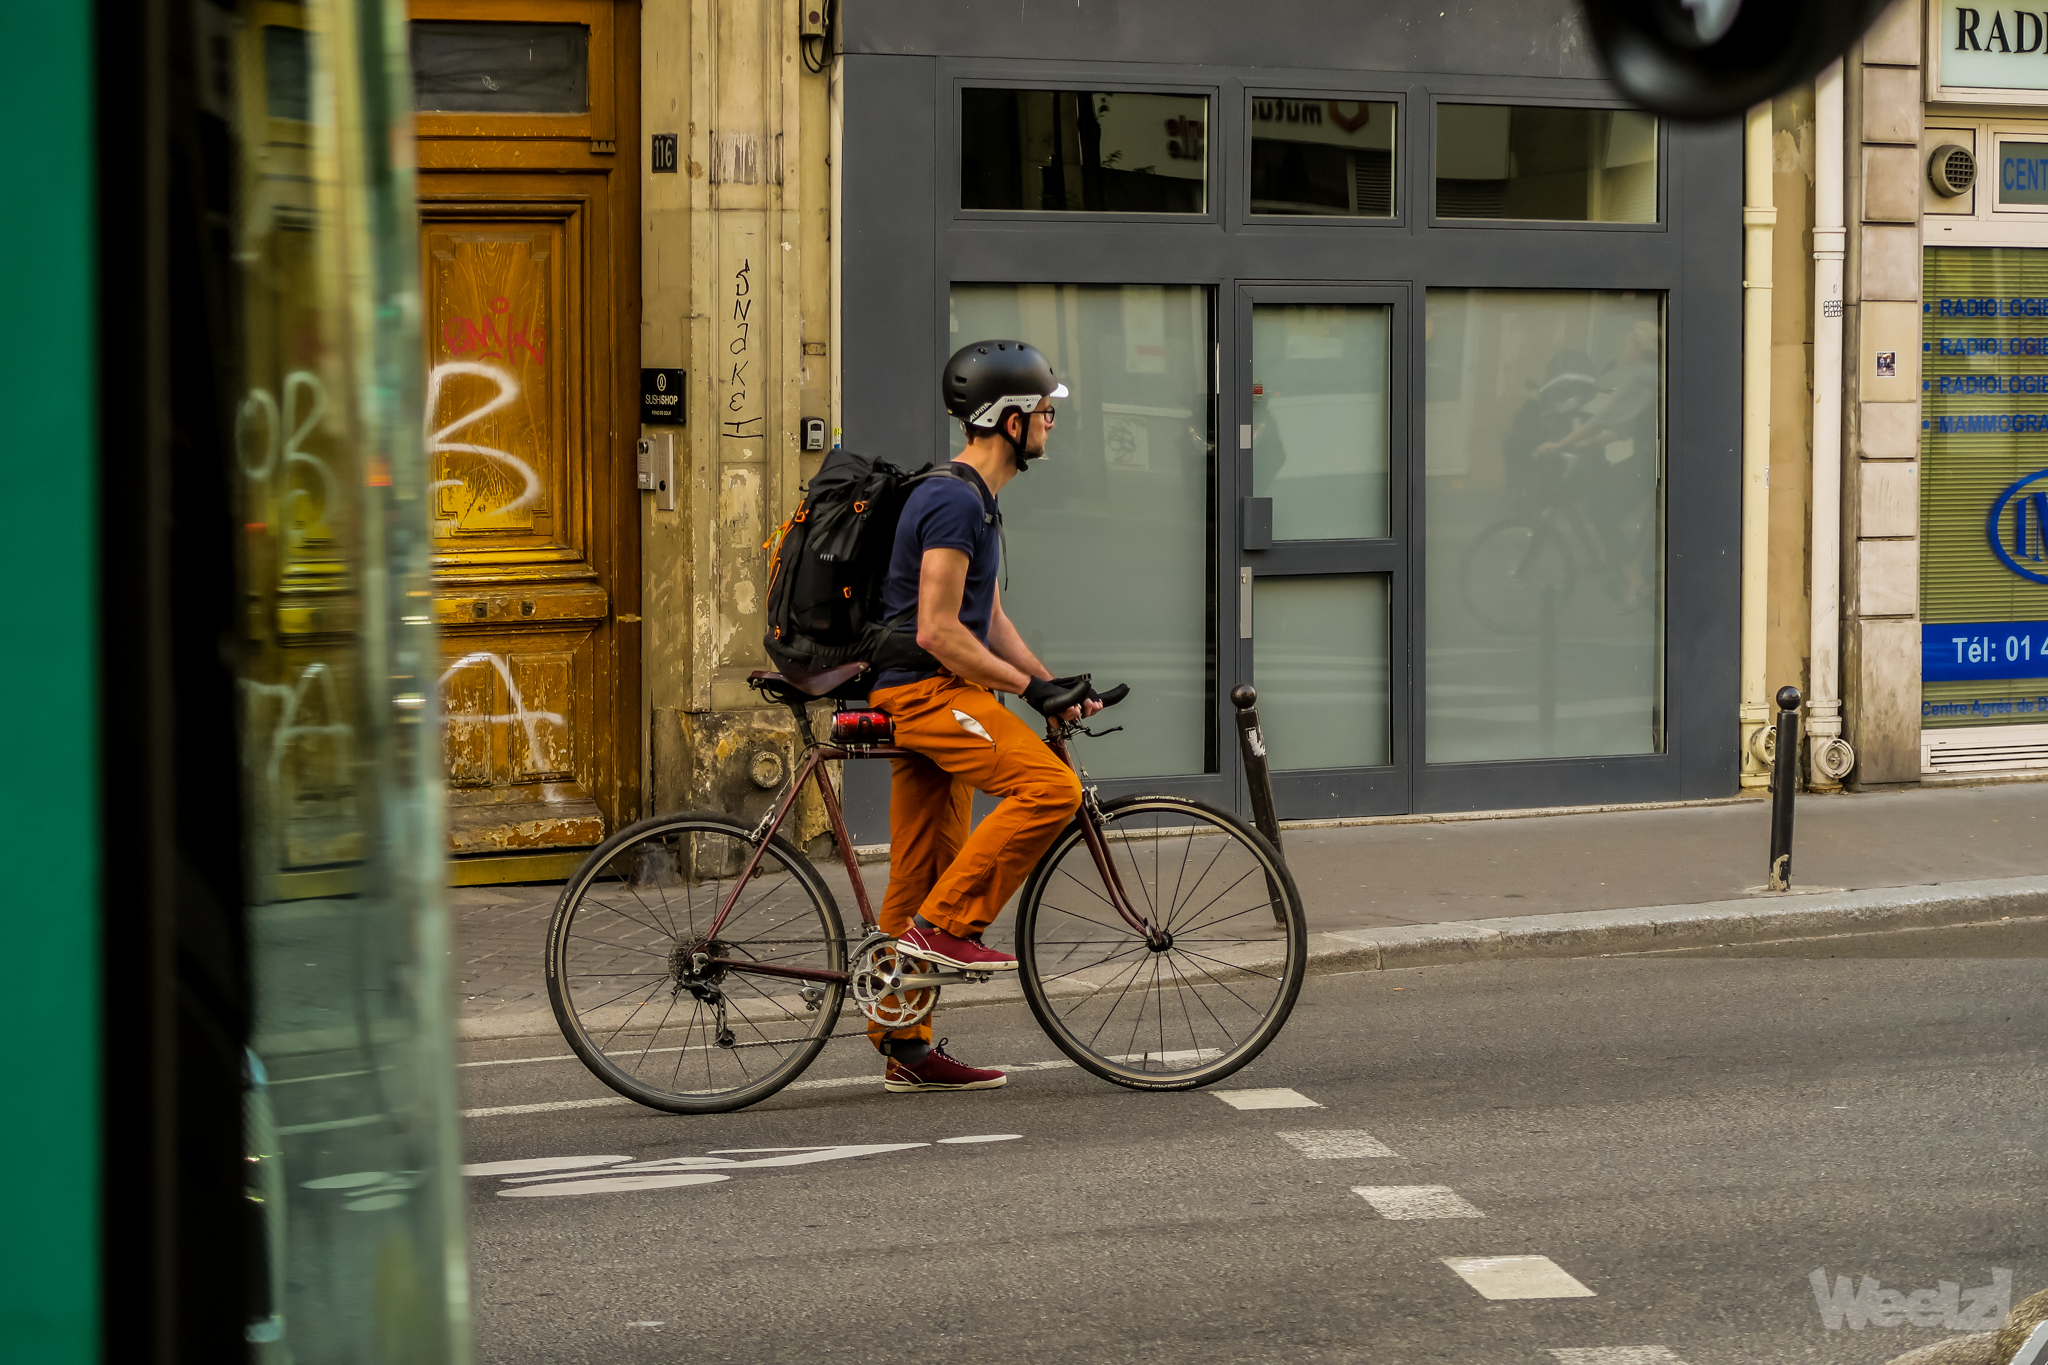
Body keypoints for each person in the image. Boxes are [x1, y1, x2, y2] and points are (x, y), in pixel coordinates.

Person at [864, 340, 1105, 1094]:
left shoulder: (976, 501)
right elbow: (938, 629)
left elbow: (986, 616)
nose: (1051, 422)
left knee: (923, 867)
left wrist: (1047, 682)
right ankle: (948, 930)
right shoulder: (952, 499)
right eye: (1043, 411)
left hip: (946, 692)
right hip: (928, 693)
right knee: (1050, 789)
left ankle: (905, 1043)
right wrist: (1022, 692)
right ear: (1007, 420)